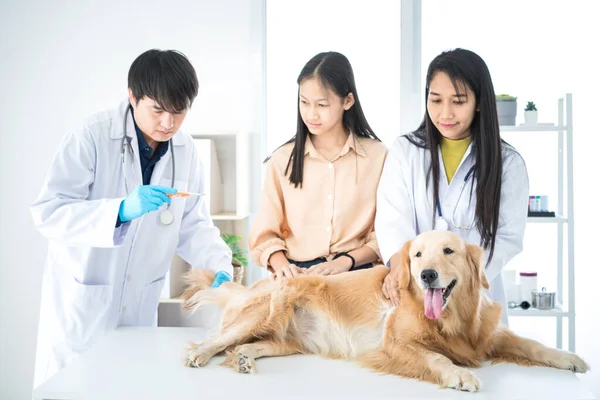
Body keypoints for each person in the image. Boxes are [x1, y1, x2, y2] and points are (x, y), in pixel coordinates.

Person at [30, 49, 233, 387]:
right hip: (84, 308)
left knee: (131, 386)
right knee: (73, 388)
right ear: (132, 96)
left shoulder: (185, 152)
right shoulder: (91, 137)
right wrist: (118, 212)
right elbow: (49, 212)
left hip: (138, 310)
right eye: (158, 110)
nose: (168, 123)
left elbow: (193, 223)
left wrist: (219, 266)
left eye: (179, 111)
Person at [375, 48, 529, 324]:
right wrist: (402, 271)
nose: (445, 113)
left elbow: (506, 237)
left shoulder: (508, 163)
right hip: (416, 294)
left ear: (479, 102)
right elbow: (391, 220)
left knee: (480, 363)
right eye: (435, 100)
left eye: (458, 101)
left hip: (474, 300)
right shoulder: (405, 152)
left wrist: (460, 278)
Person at [249, 51, 388, 280]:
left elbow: (387, 232)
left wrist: (346, 262)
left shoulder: (378, 156)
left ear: (348, 101)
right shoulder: (282, 160)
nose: (311, 114)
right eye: (304, 102)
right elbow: (264, 234)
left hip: (357, 275)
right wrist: (283, 266)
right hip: (298, 275)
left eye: (322, 104)